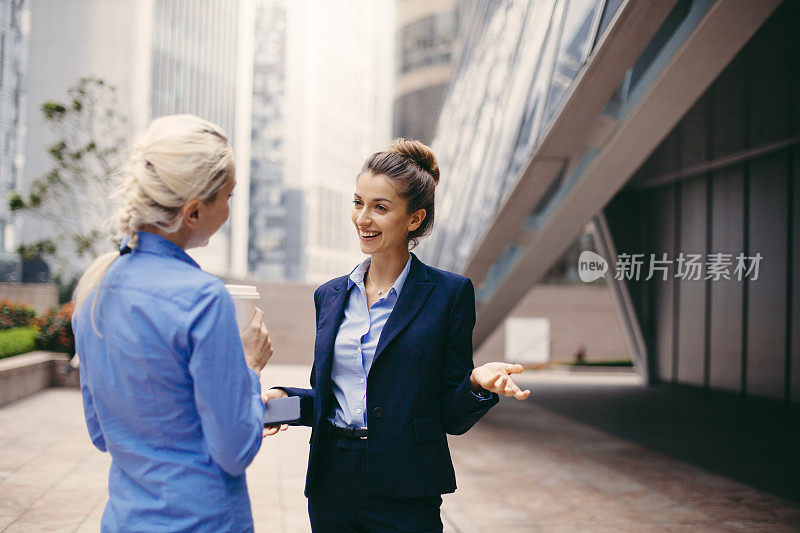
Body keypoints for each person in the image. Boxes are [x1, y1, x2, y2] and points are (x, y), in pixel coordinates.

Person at [264, 139, 531, 531]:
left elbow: (451, 415)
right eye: (358, 203)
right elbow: (334, 399)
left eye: (380, 207)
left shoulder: (449, 295)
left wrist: (476, 383)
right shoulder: (330, 295)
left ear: (414, 218)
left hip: (407, 490)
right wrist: (286, 399)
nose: (363, 218)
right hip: (331, 486)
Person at [72, 115, 276, 532]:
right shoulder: (203, 299)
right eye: (228, 196)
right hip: (202, 520)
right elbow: (235, 449)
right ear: (194, 212)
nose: (230, 208)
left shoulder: (93, 290)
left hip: (126, 519)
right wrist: (249, 370)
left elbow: (100, 433)